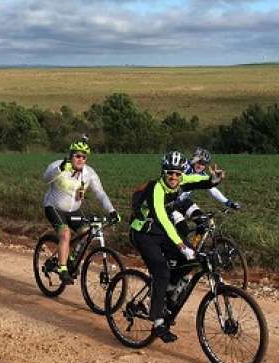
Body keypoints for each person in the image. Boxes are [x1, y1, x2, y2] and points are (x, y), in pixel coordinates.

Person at [129, 150, 224, 342]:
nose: (173, 177)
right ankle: (157, 323)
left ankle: (167, 292)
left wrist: (214, 180)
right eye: (169, 173)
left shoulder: (181, 179)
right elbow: (163, 219)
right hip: (143, 233)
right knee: (162, 271)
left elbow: (199, 181)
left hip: (161, 232)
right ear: (163, 172)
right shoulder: (155, 188)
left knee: (191, 259)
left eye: (177, 174)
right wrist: (181, 244)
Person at [41, 138, 119, 285]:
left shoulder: (89, 173)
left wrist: (111, 211)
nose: (80, 160)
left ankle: (70, 258)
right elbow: (45, 178)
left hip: (74, 210)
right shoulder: (59, 165)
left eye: (84, 157)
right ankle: (62, 269)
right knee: (65, 234)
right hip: (54, 207)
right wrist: (60, 169)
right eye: (77, 156)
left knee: (86, 232)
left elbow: (100, 193)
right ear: (71, 156)